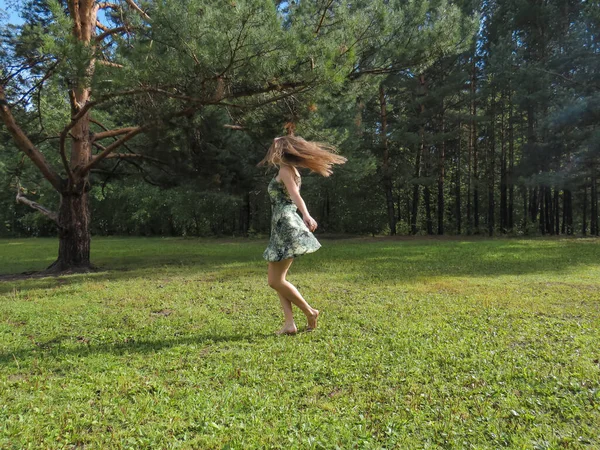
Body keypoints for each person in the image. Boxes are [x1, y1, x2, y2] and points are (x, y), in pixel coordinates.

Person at [257, 135, 347, 335]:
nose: (271, 150)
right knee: (279, 280)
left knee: (275, 281)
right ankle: (289, 324)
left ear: (281, 151)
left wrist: (306, 215)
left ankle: (310, 311)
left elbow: (296, 196)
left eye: (275, 147)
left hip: (285, 225)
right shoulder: (292, 171)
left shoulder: (285, 170)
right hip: (281, 225)